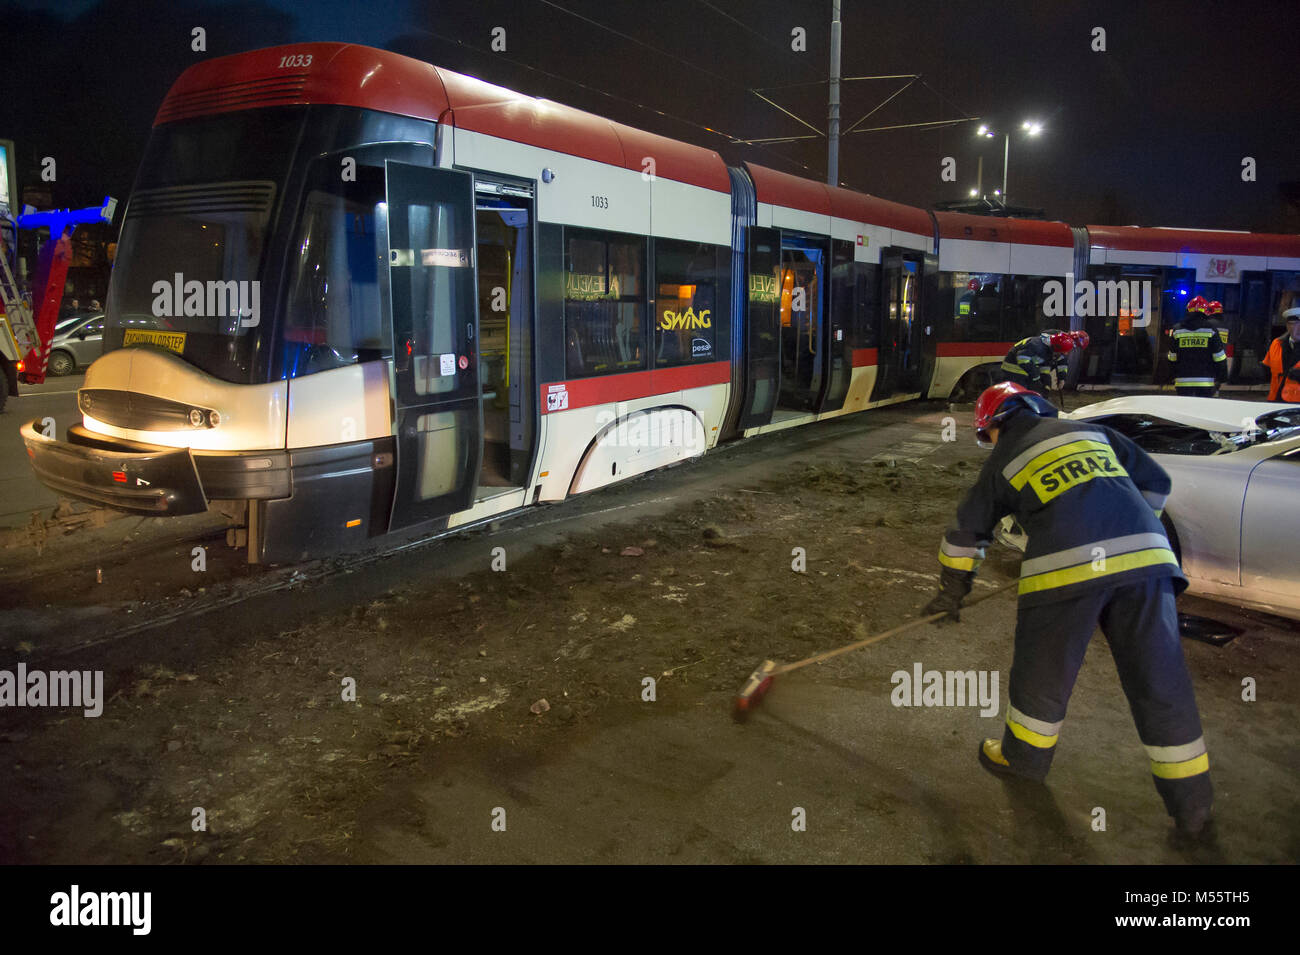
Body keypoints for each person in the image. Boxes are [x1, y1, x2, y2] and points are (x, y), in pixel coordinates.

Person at [923, 382, 1213, 842]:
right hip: (1148, 566)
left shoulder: (1004, 462)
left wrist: (952, 592)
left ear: (995, 425)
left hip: (1064, 574)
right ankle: (1193, 807)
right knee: (1161, 682)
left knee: (1044, 672)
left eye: (986, 436)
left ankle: (1023, 761)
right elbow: (1156, 482)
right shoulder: (1095, 433)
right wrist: (1127, 534)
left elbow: (966, 534)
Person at [1167, 296, 1227, 396]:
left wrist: (1171, 376)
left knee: (1184, 410)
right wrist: (1221, 378)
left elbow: (1172, 358)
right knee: (1202, 411)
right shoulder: (1211, 330)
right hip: (1205, 382)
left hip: (1182, 382)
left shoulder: (1177, 330)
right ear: (1205, 311)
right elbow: (1219, 357)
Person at [998, 329, 1075, 398]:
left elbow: (1044, 367)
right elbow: (1022, 359)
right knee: (1019, 397)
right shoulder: (1037, 345)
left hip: (1025, 371)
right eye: (1061, 352)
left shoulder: (1049, 348)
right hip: (1014, 371)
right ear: (1057, 347)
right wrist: (1036, 377)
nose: (1064, 354)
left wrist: (1046, 382)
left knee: (1037, 392)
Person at [1262, 308, 1300, 403]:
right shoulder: (1277, 344)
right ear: (1288, 326)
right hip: (1277, 400)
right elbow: (1267, 369)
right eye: (1295, 324)